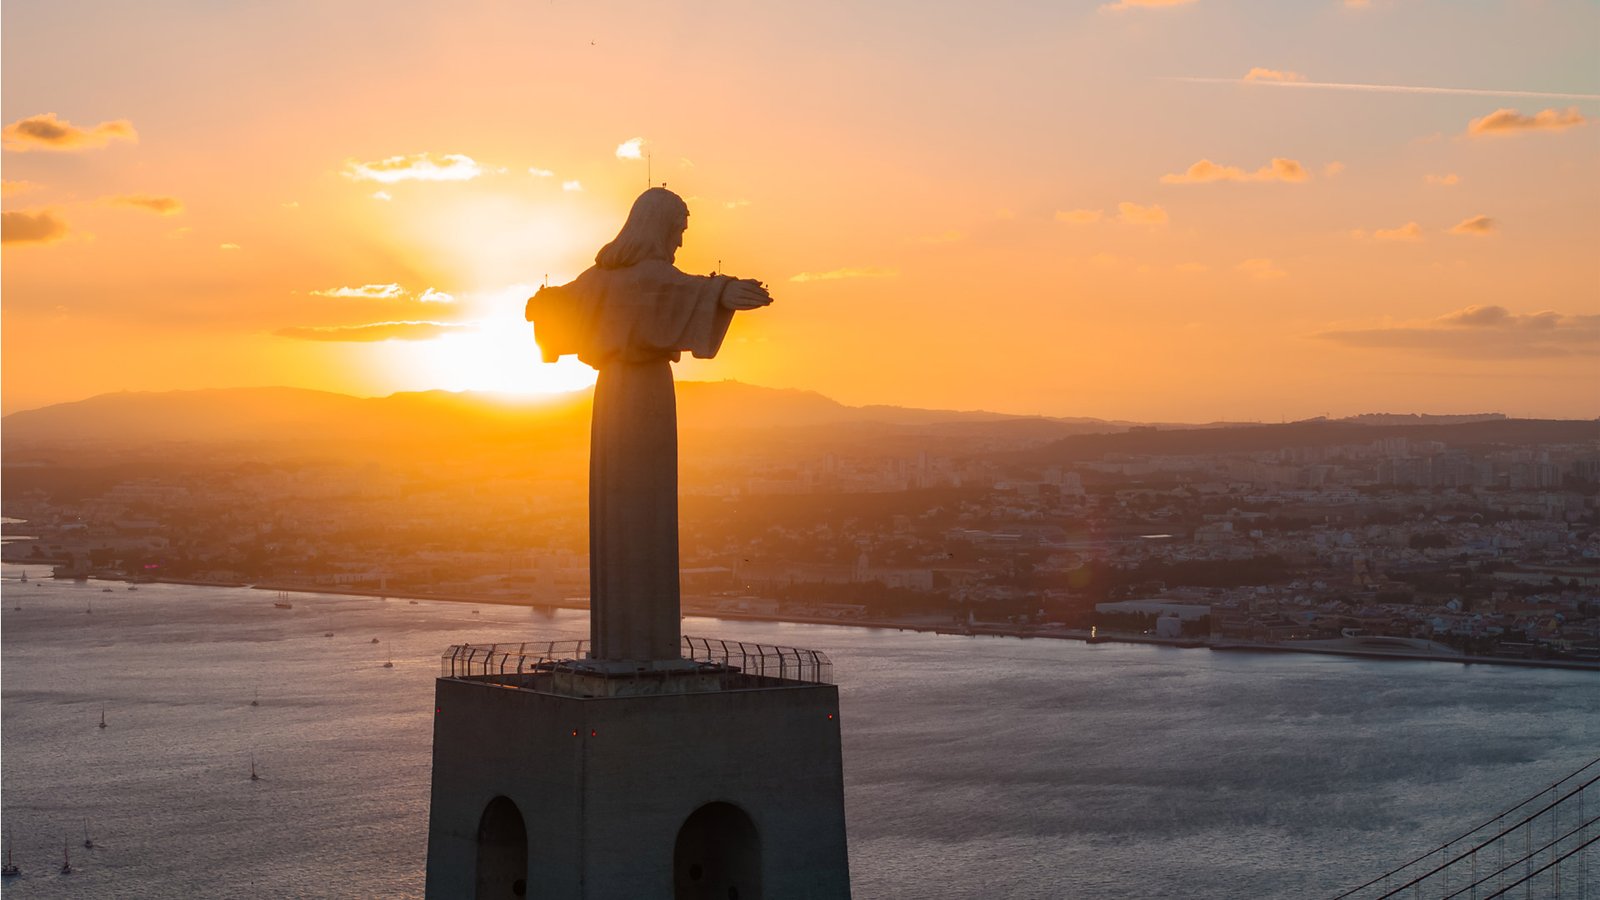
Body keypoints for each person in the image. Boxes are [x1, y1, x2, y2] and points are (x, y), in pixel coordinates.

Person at [526, 187, 772, 661]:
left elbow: (556, 305)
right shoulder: (650, 278)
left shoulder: (597, 280)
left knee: (615, 500)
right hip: (647, 394)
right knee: (649, 501)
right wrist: (724, 291)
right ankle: (644, 656)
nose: (679, 241)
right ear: (660, 227)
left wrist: (540, 306)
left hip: (609, 397)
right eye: (678, 230)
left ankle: (619, 651)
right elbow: (685, 289)